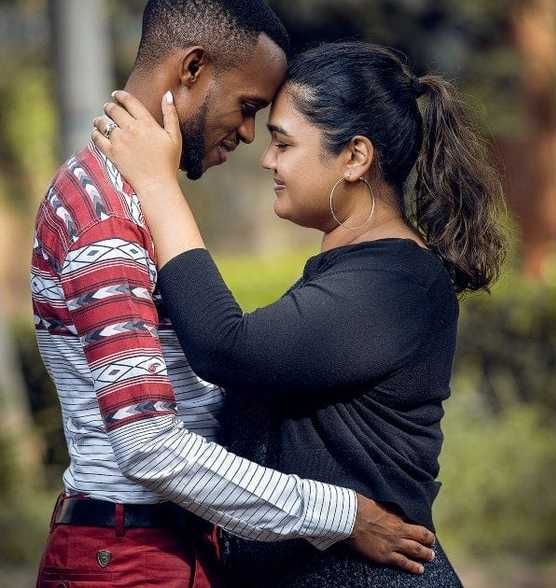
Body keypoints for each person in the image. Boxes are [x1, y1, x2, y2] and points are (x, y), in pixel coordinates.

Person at [32, 3, 436, 586]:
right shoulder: (105, 212)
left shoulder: (140, 195)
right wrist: (342, 515)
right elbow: (148, 445)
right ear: (192, 69)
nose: (250, 137)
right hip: (128, 557)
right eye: (247, 108)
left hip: (169, 542)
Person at [92, 40, 510, 586]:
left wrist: (155, 183)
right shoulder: (354, 271)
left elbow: (225, 346)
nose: (266, 159)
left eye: (283, 143)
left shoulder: (396, 283)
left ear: (355, 158)